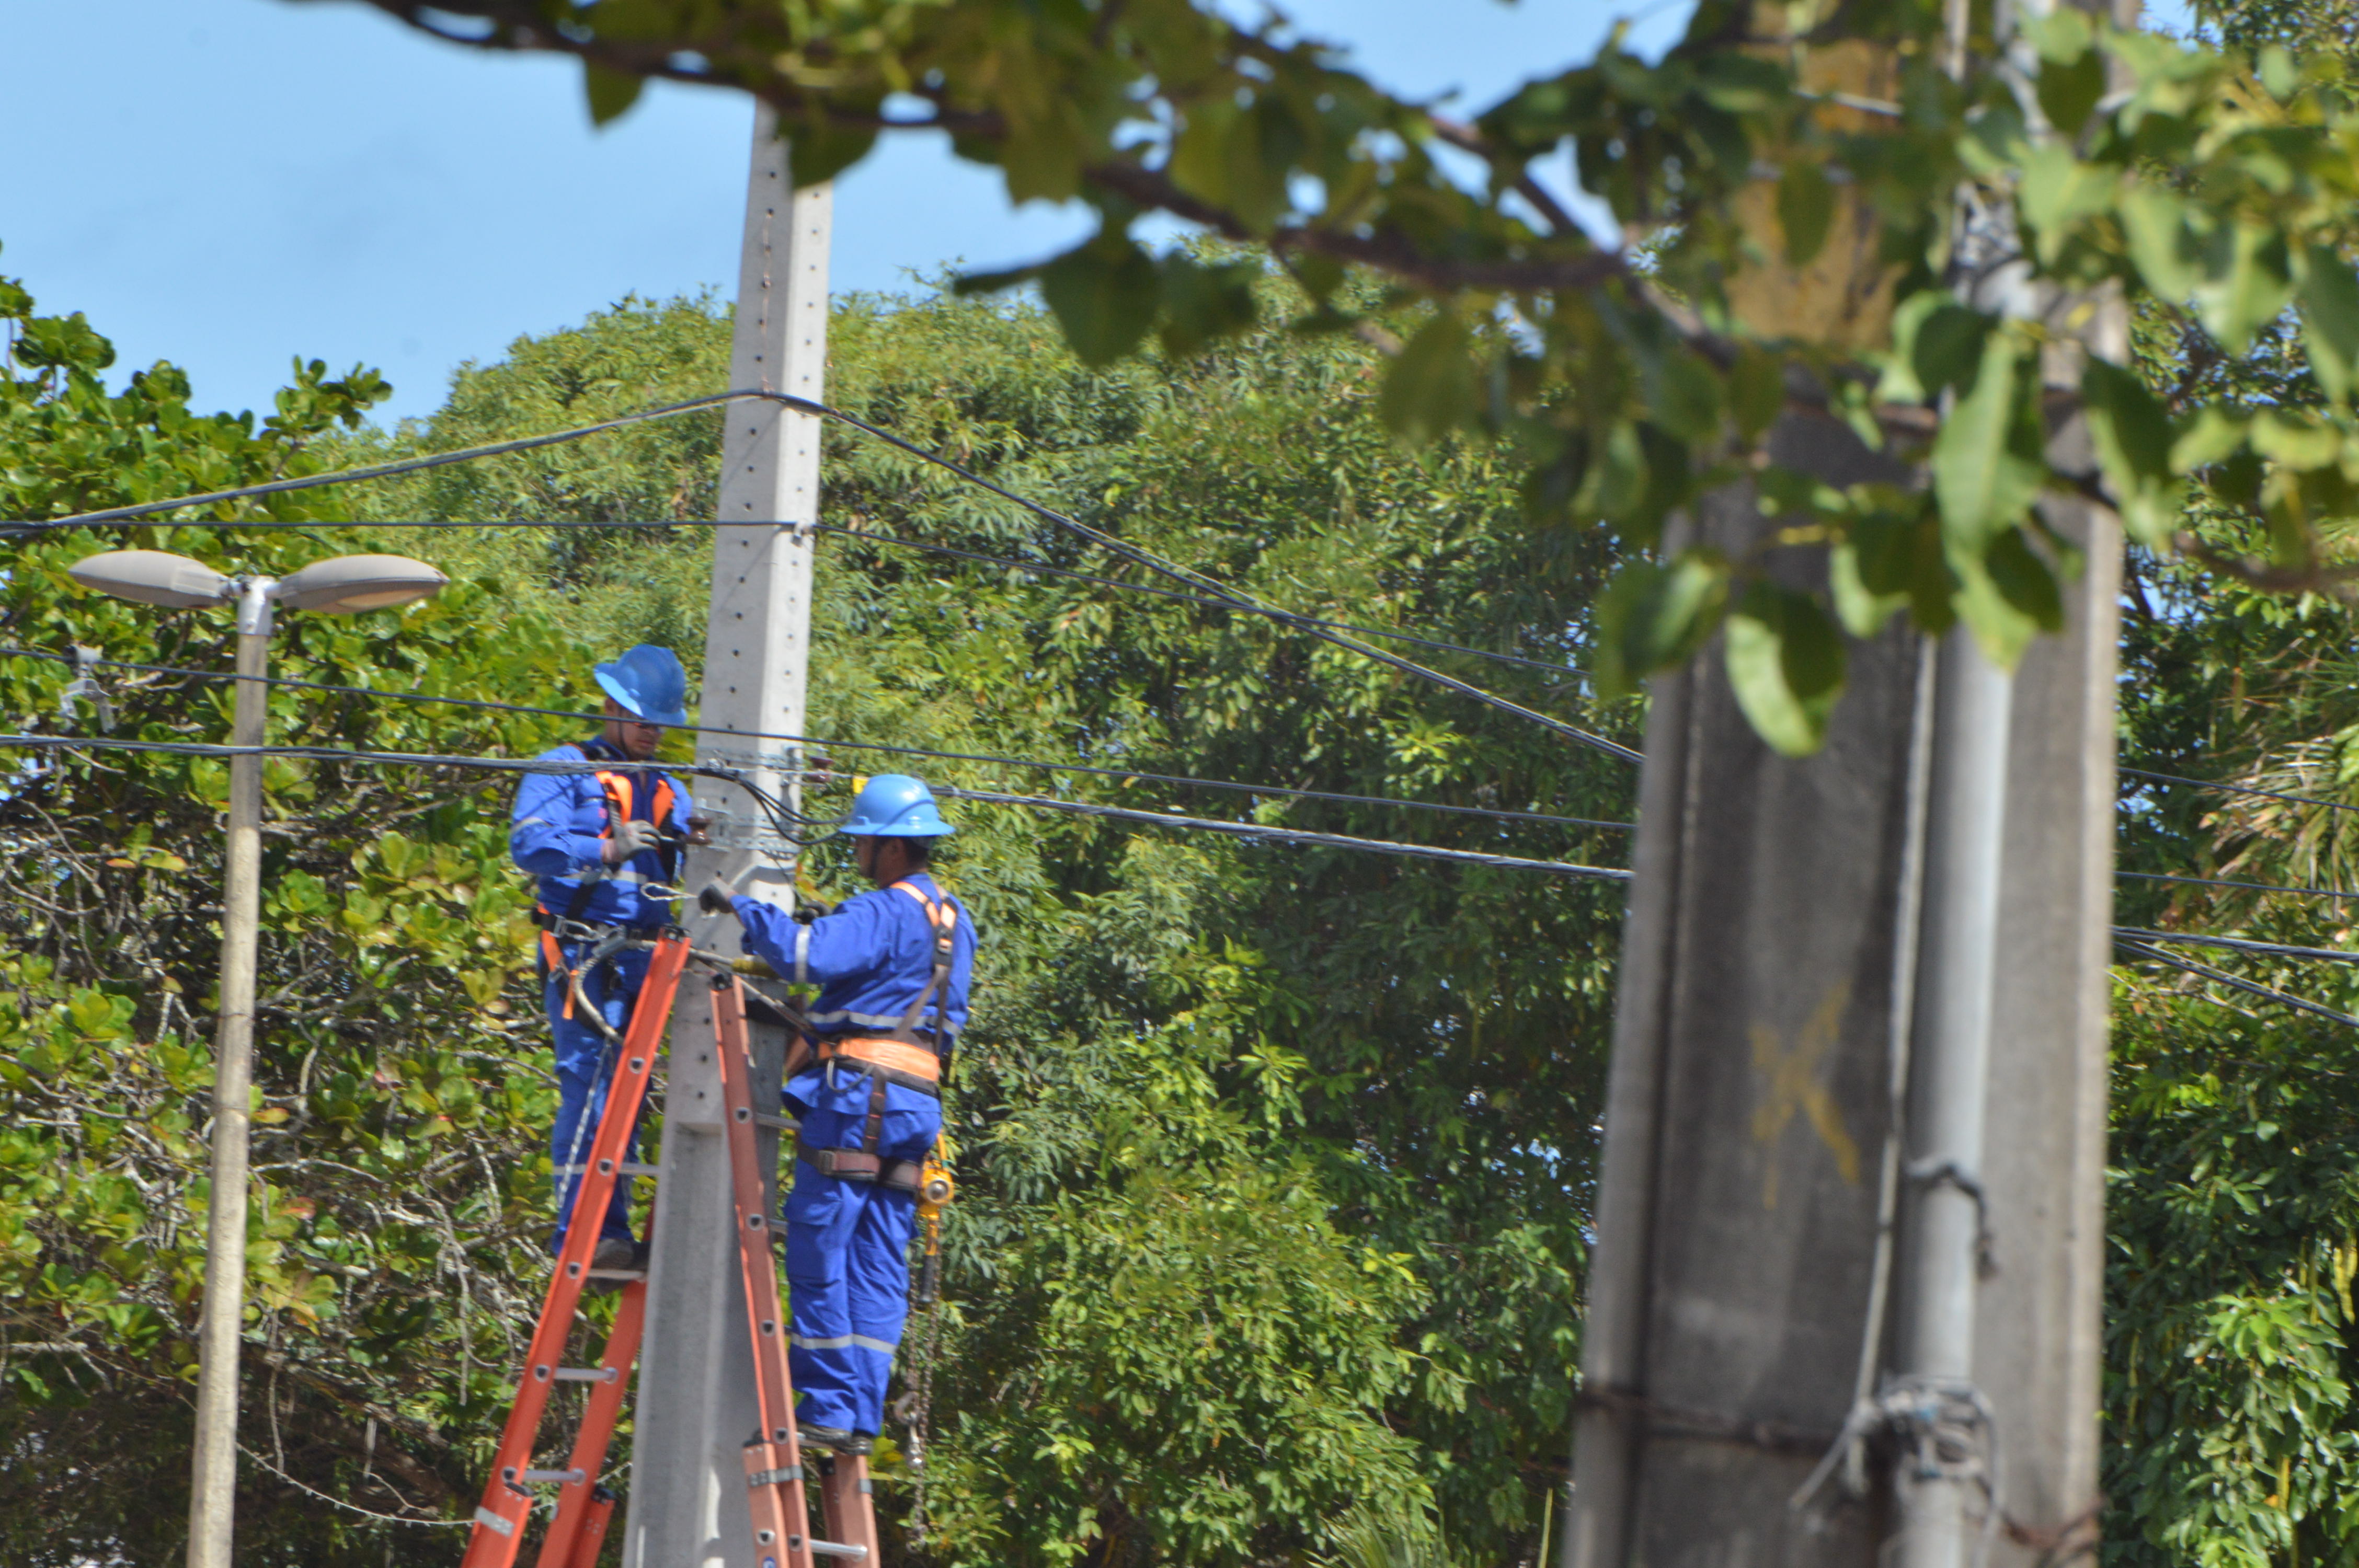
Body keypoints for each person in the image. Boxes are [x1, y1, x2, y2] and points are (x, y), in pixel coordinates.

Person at [700, 774, 976, 1452]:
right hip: (916, 1108)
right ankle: (859, 1416)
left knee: (822, 1238)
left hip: (859, 1100)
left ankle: (826, 1405)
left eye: (861, 840)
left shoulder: (882, 910)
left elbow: (805, 956)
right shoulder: (953, 921)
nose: (855, 850)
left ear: (888, 848)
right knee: (879, 1259)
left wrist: (739, 905)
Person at [509, 644, 703, 1279]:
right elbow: (530, 844)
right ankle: (587, 1234)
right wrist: (603, 846)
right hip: (584, 954)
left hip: (646, 958)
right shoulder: (564, 768)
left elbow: (706, 837)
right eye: (643, 718)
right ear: (612, 707)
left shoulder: (668, 786)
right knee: (589, 1087)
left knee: (631, 1093)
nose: (653, 731)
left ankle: (614, 1230)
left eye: (660, 721)